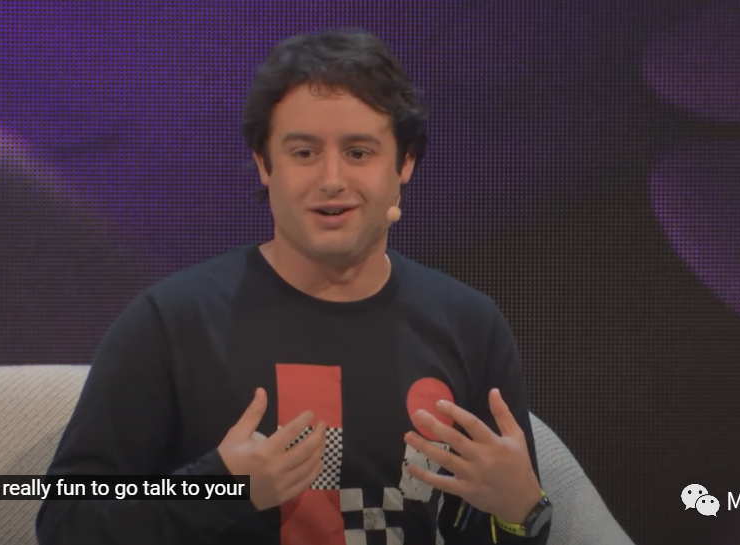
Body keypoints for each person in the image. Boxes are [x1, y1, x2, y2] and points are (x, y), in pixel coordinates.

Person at [36, 28, 552, 545]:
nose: (331, 179)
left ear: (404, 164)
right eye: (304, 153)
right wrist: (219, 490)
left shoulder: (469, 326)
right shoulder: (171, 324)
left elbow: (497, 530)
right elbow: (66, 522)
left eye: (358, 152)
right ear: (265, 164)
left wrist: (519, 514)